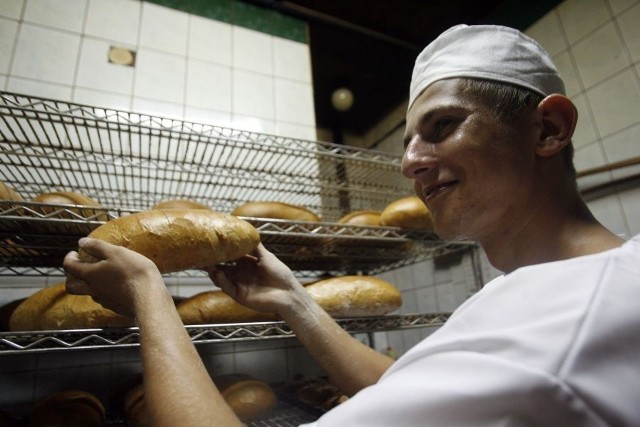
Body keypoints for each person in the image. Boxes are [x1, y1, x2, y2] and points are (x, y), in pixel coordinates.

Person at [63, 24, 640, 426]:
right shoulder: (573, 289)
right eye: (409, 141)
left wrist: (146, 294)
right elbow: (411, 393)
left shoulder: (561, 319)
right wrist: (295, 300)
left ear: (548, 129)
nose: (410, 162)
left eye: (442, 125)